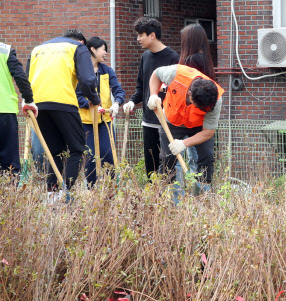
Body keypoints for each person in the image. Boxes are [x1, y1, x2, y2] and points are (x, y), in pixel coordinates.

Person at [26, 29, 100, 191]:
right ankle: (68, 193)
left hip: (38, 105)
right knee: (77, 149)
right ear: (82, 42)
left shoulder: (38, 49)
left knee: (55, 152)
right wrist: (95, 99)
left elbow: (27, 77)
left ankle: (52, 195)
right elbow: (88, 81)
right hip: (64, 102)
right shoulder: (78, 48)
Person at [148, 64, 224, 190]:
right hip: (172, 122)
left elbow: (208, 133)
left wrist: (184, 143)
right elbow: (156, 74)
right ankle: (170, 198)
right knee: (168, 159)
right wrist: (153, 95)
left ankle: (201, 197)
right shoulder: (175, 74)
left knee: (207, 157)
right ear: (190, 94)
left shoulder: (216, 100)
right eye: (198, 106)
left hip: (199, 127)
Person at [124, 18, 179, 178]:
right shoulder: (145, 57)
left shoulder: (172, 57)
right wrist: (132, 101)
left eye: (141, 35)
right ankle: (152, 200)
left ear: (152, 35)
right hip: (148, 120)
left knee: (169, 165)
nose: (138, 39)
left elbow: (175, 90)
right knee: (151, 165)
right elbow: (141, 87)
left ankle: (170, 199)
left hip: (167, 121)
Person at [76, 36, 125, 186]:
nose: (105, 53)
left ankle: (110, 188)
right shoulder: (81, 72)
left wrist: (117, 103)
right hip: (86, 121)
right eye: (103, 49)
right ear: (93, 49)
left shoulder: (107, 70)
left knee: (109, 155)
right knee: (90, 158)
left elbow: (118, 90)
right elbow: (76, 95)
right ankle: (91, 190)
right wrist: (88, 103)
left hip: (105, 120)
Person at [175, 24, 217, 188]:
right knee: (200, 158)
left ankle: (192, 193)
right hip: (203, 113)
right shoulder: (205, 58)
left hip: (190, 114)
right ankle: (201, 193)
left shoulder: (191, 60)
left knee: (188, 156)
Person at [0, 41, 36, 177]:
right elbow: (20, 76)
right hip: (4, 111)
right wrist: (28, 100)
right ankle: (10, 196)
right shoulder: (5, 50)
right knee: (9, 163)